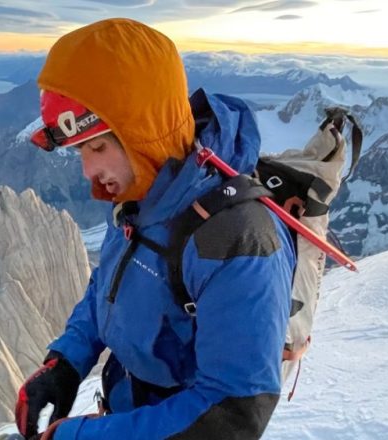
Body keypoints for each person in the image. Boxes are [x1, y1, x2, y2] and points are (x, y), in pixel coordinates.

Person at [15, 18, 296, 440]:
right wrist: (68, 362)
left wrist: (82, 438)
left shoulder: (238, 240)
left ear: (140, 131)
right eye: (79, 152)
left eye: (97, 147)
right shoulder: (139, 194)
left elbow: (233, 415)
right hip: (129, 409)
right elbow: (109, 288)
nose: (89, 171)